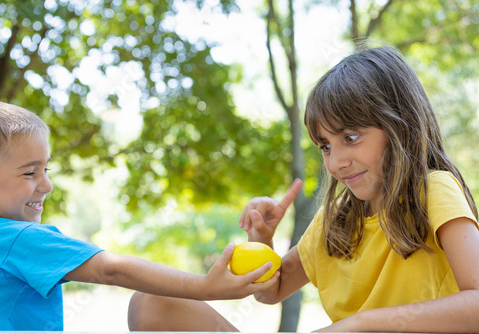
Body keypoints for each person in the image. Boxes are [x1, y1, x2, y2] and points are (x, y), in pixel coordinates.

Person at [128, 46, 479, 332]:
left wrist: (363, 324)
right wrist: (261, 241)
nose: (336, 161)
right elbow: (273, 291)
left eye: (350, 137)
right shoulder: (337, 221)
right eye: (325, 146)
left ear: (400, 126)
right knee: (152, 302)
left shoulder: (432, 191)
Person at [0, 99, 277, 331]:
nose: (47, 184)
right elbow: (112, 269)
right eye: (30, 172)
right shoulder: (17, 237)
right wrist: (204, 286)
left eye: (47, 170)